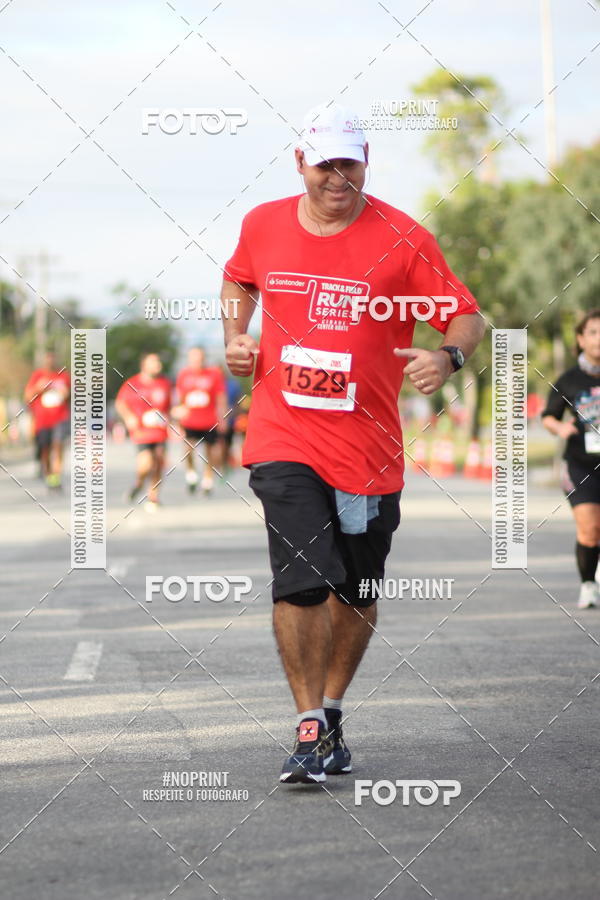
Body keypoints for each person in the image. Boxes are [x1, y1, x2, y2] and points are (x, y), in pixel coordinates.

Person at [221, 102, 486, 784]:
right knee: (303, 579)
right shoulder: (264, 224)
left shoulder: (402, 235)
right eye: (325, 163)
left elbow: (465, 314)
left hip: (367, 446)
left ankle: (333, 712)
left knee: (356, 586)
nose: (338, 177)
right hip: (283, 433)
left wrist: (448, 358)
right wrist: (234, 337)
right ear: (300, 163)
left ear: (366, 162)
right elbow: (238, 278)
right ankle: (307, 727)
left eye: (350, 163)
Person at [542, 309, 600, 609]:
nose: (599, 337)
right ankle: (588, 584)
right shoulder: (569, 380)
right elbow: (548, 417)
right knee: (590, 527)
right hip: (581, 464)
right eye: (593, 331)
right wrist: (560, 427)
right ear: (580, 338)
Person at [115, 352, 172, 512]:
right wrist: (129, 417)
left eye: (158, 361)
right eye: (154, 361)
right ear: (144, 365)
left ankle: (153, 496)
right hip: (141, 431)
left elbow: (170, 406)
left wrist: (173, 417)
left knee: (159, 461)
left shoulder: (165, 383)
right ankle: (138, 484)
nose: (158, 364)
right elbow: (121, 403)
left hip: (159, 430)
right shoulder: (132, 383)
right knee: (146, 464)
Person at [173, 347, 226, 494]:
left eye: (200, 357)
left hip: (209, 420)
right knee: (188, 448)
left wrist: (222, 418)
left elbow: (220, 397)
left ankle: (207, 480)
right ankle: (191, 474)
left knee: (211, 452)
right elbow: (179, 396)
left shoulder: (214, 374)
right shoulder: (184, 374)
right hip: (190, 420)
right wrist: (177, 413)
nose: (197, 360)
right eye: (194, 357)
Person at [24, 349, 70, 489]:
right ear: (44, 360)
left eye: (53, 358)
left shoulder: (64, 376)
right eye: (48, 358)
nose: (51, 361)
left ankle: (56, 475)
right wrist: (39, 388)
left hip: (60, 417)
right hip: (42, 420)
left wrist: (66, 393)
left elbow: (73, 396)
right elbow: (27, 396)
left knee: (58, 445)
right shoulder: (37, 376)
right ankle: (49, 474)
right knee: (45, 449)